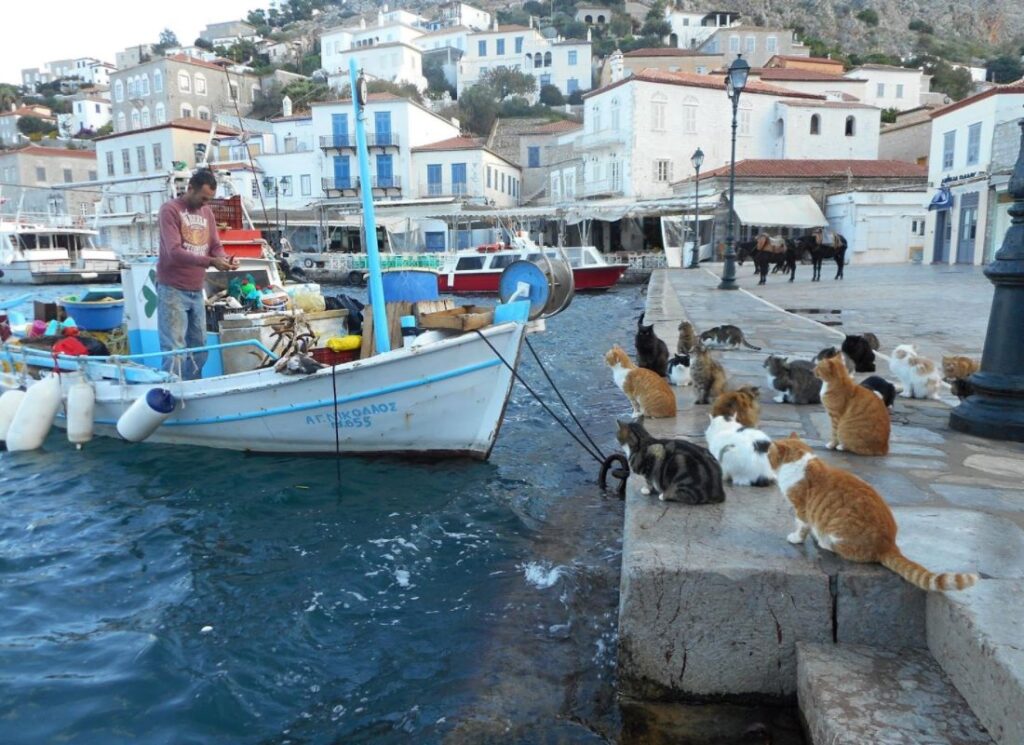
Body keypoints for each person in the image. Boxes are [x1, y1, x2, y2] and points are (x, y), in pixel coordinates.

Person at [156, 169, 237, 379]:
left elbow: (215, 245)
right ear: (190, 188)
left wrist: (225, 259)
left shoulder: (207, 213)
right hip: (172, 289)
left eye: (208, 200)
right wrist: (212, 262)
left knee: (200, 347)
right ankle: (173, 393)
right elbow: (174, 252)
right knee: (175, 349)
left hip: (196, 290)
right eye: (203, 198)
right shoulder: (170, 210)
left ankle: (194, 390)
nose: (205, 204)